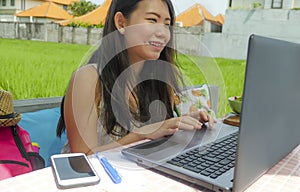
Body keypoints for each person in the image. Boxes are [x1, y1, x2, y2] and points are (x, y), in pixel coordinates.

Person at [57, 0, 215, 155]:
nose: (162, 33)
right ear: (121, 23)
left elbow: (157, 138)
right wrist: (142, 134)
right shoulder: (88, 79)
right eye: (152, 20)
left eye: (167, 24)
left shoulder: (157, 82)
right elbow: (82, 158)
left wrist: (184, 124)